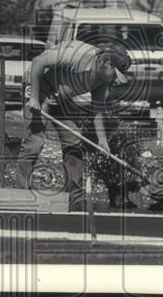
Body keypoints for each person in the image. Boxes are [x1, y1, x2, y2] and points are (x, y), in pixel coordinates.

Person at [16, 40, 132, 211]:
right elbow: (38, 62)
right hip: (39, 88)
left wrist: (102, 140)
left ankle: (75, 200)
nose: (115, 79)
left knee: (73, 142)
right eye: (114, 74)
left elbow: (97, 109)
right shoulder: (77, 56)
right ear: (107, 63)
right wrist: (34, 97)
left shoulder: (102, 79)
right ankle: (23, 195)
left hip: (62, 98)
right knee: (35, 142)